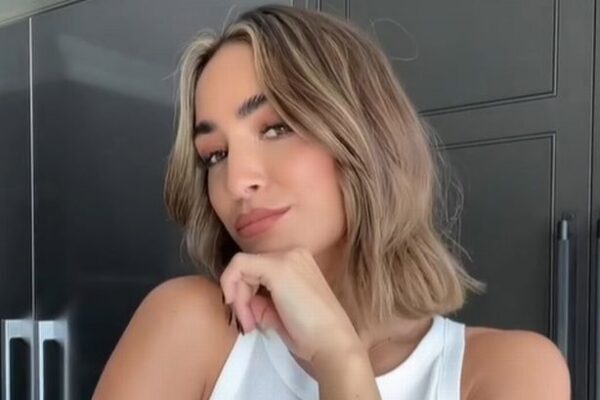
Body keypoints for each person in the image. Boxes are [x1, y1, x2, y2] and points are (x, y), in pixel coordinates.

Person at [92, 4, 571, 400]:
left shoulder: (508, 372)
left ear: (366, 133)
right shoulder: (188, 327)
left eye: (275, 128)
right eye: (215, 155)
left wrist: (339, 359)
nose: (237, 181)